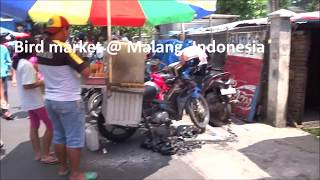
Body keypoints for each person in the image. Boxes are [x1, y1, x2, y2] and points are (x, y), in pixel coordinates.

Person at [36, 16, 97, 180]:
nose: (68, 33)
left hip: (50, 99)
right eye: (68, 29)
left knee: (59, 135)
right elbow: (86, 72)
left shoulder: (40, 47)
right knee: (74, 138)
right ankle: (76, 174)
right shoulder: (64, 48)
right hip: (68, 100)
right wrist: (83, 60)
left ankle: (63, 168)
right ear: (63, 30)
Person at [12, 38, 58, 164]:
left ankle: (39, 153)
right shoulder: (26, 65)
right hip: (35, 101)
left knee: (34, 126)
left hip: (28, 101)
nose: (35, 48)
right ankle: (45, 154)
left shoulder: (21, 62)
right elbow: (28, 85)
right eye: (34, 46)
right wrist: (43, 81)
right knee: (51, 126)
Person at [0, 38, 14, 120]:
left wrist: (6, 69)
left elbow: (8, 61)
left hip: (2, 74)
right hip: (2, 73)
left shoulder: (3, 48)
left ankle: (5, 110)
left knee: (3, 92)